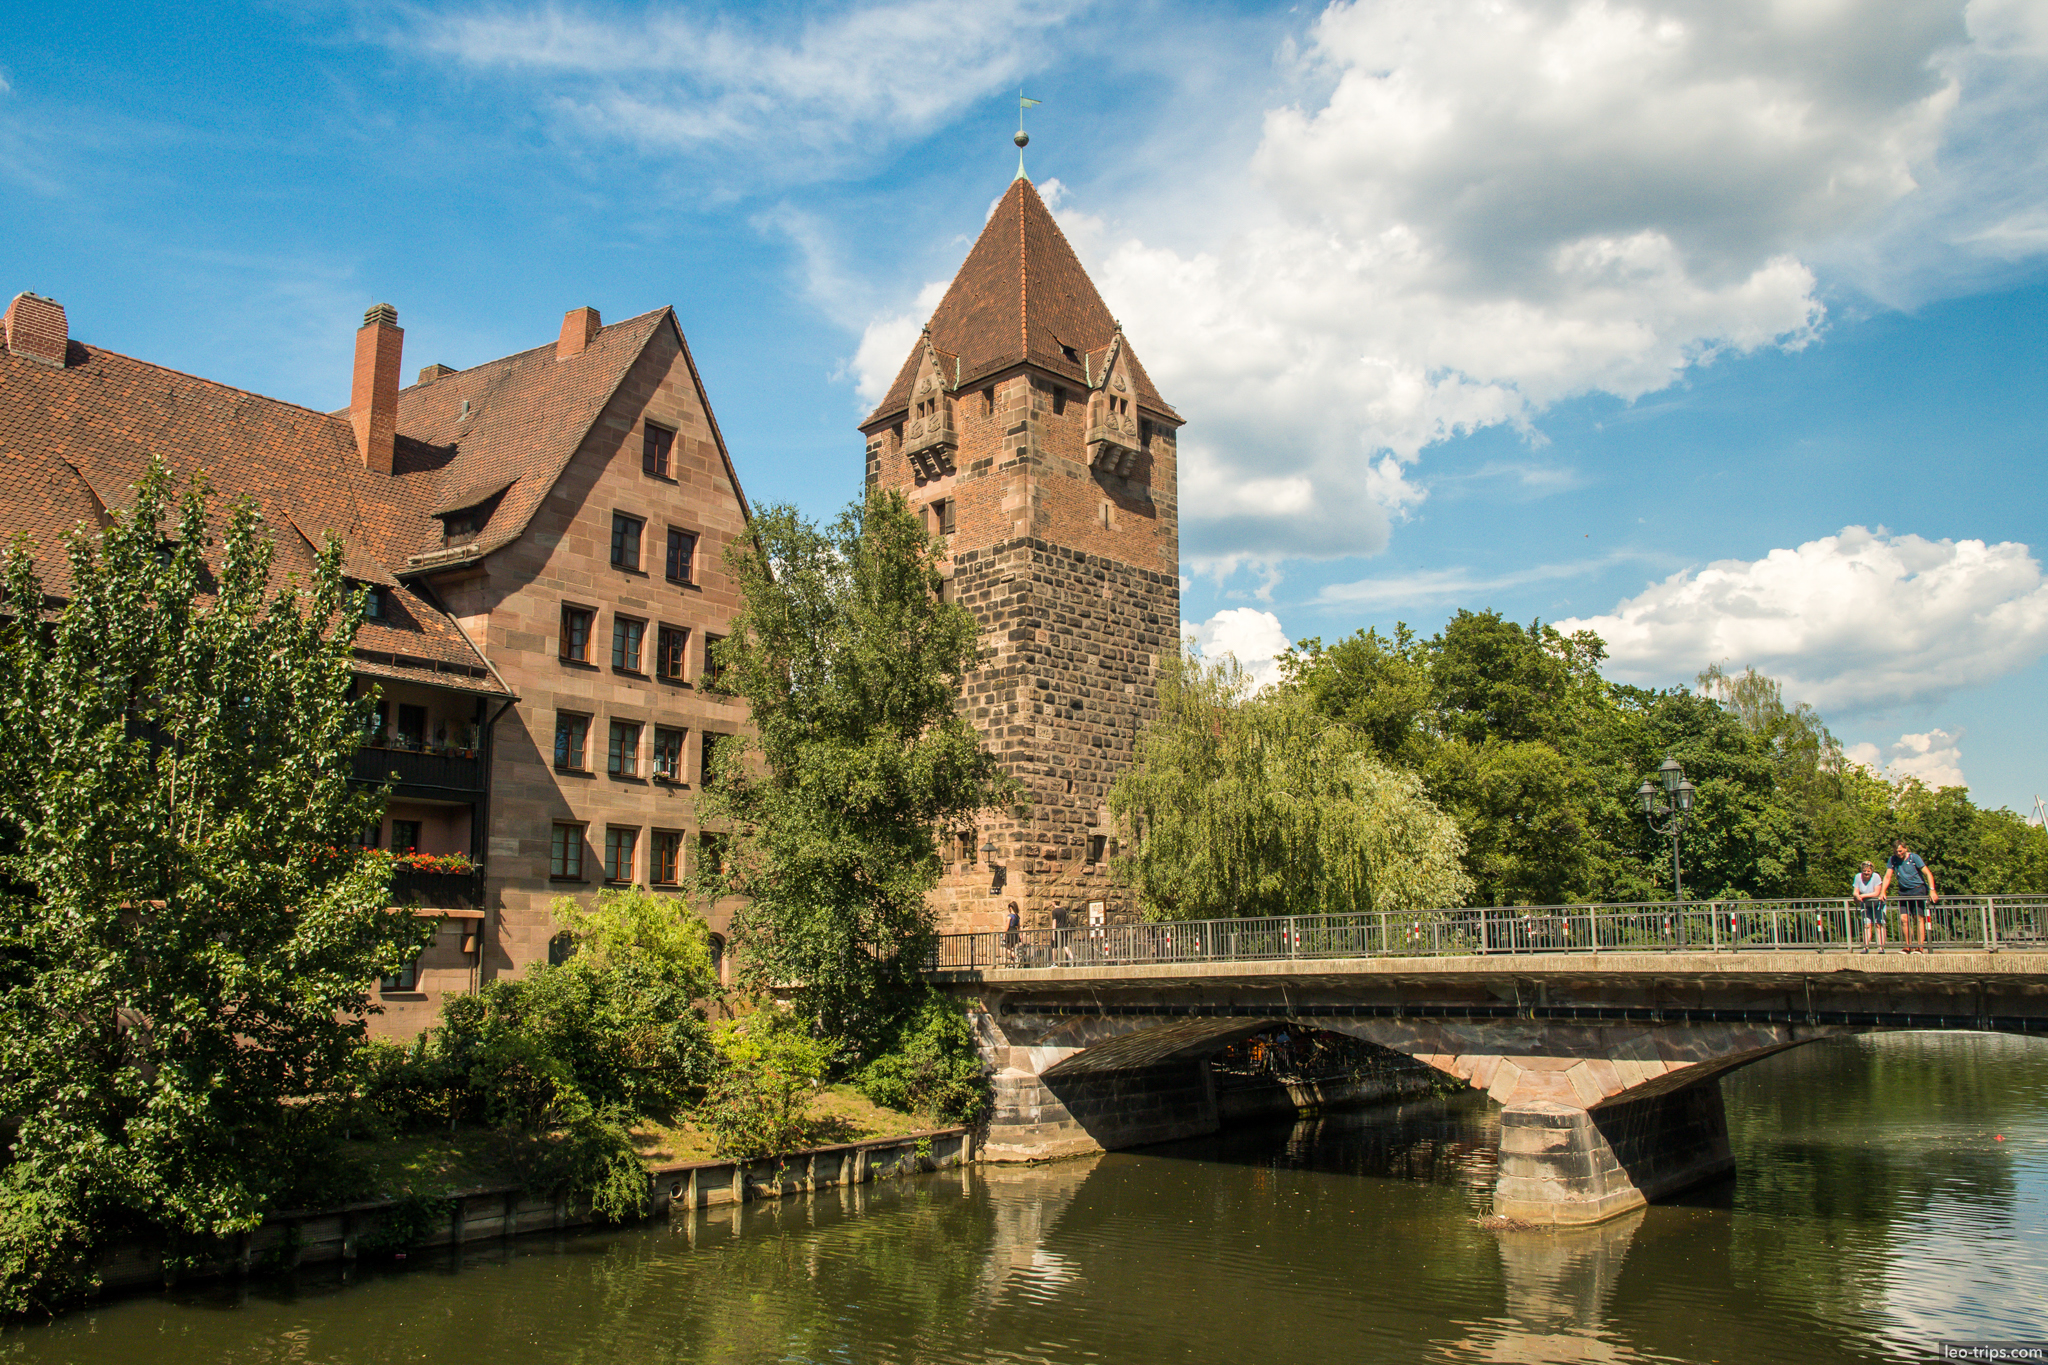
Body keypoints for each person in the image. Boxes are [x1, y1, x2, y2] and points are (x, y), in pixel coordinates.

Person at [1882, 839, 1939, 954]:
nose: (1899, 853)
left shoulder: (1914, 858)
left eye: (1900, 851)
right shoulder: (1893, 860)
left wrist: (1932, 890)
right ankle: (1907, 946)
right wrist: (1883, 891)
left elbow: (1927, 873)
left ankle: (1920, 946)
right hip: (1904, 891)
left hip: (1918, 890)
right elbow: (1888, 876)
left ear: (1905, 849)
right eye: (1896, 851)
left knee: (1918, 917)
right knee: (1904, 919)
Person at [1853, 860, 1887, 953]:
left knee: (1878, 924)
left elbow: (1876, 892)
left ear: (1871, 871)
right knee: (1866, 925)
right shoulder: (1858, 877)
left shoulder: (1876, 877)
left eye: (1868, 871)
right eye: (1864, 871)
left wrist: (1862, 896)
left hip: (1878, 903)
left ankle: (1881, 947)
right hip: (1866, 904)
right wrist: (1857, 895)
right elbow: (1855, 890)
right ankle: (1865, 947)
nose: (1866, 873)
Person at [1003, 901, 1022, 965]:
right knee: (1012, 948)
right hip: (1015, 932)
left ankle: (1016, 958)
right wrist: (1020, 935)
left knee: (1007, 949)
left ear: (1010, 908)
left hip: (1010, 932)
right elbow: (1019, 927)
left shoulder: (1010, 916)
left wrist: (1004, 934)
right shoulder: (1017, 917)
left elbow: (1007, 926)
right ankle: (1013, 963)